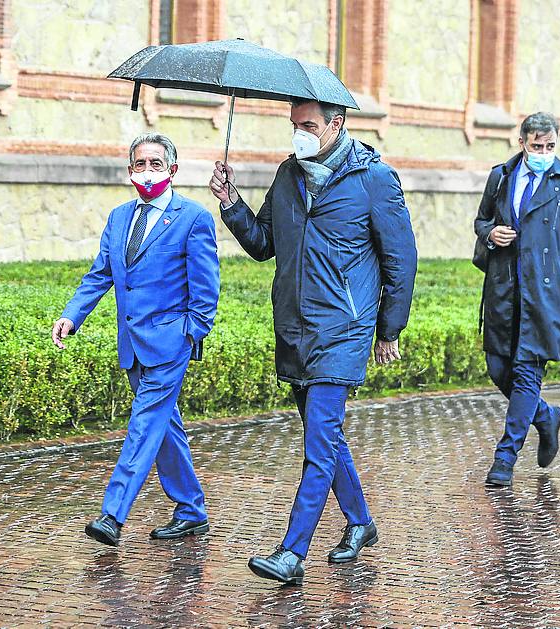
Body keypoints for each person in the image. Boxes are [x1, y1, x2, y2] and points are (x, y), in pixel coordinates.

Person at [210, 97, 417, 585]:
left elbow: (401, 260)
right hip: (295, 327)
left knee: (318, 443)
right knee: (328, 436)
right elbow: (264, 245)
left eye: (307, 125)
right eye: (294, 125)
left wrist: (388, 328)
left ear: (336, 125)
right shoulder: (289, 175)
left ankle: (292, 551)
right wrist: (231, 203)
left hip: (344, 327)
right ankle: (362, 523)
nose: (298, 133)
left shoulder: (373, 179)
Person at [52, 133, 220, 547]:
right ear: (130, 171)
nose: (147, 172)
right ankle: (191, 510)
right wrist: (72, 316)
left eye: (156, 164)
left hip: (170, 345)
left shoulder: (193, 218)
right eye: (140, 164)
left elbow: (206, 289)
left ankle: (113, 514)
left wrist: (190, 333)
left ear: (173, 171)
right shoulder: (119, 217)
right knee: (165, 428)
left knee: (144, 426)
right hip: (132, 342)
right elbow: (100, 274)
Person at [473, 112, 560, 487]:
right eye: (537, 146)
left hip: (546, 297)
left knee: (527, 374)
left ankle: (504, 459)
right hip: (503, 292)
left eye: (550, 146)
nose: (544, 153)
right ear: (522, 142)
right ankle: (546, 417)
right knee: (498, 369)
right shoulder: (501, 176)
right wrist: (491, 232)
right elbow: (480, 221)